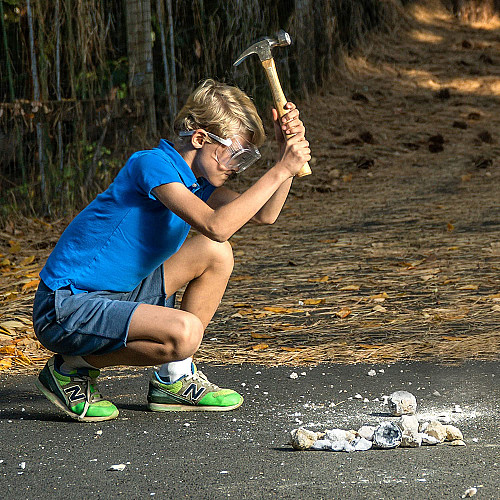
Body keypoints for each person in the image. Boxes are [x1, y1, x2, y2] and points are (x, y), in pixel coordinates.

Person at [32, 79, 311, 422]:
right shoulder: (151, 165)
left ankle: (173, 379)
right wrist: (280, 169)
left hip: (120, 296)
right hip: (66, 306)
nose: (237, 167)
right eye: (235, 155)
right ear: (200, 139)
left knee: (215, 253)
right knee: (185, 333)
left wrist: (286, 162)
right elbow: (217, 225)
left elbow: (265, 214)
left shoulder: (200, 183)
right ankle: (69, 367)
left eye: (246, 159)